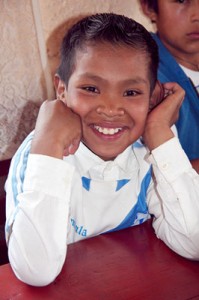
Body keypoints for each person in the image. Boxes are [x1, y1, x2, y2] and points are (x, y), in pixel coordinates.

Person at [5, 13, 199, 287]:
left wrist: (159, 134)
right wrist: (48, 145)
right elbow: (36, 270)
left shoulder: (150, 145)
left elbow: (194, 242)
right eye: (91, 88)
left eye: (131, 92)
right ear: (61, 89)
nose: (110, 109)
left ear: (153, 96)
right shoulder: (41, 154)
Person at [139, 0, 199, 171]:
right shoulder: (139, 73)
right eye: (181, 1)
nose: (197, 16)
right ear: (149, 7)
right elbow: (146, 178)